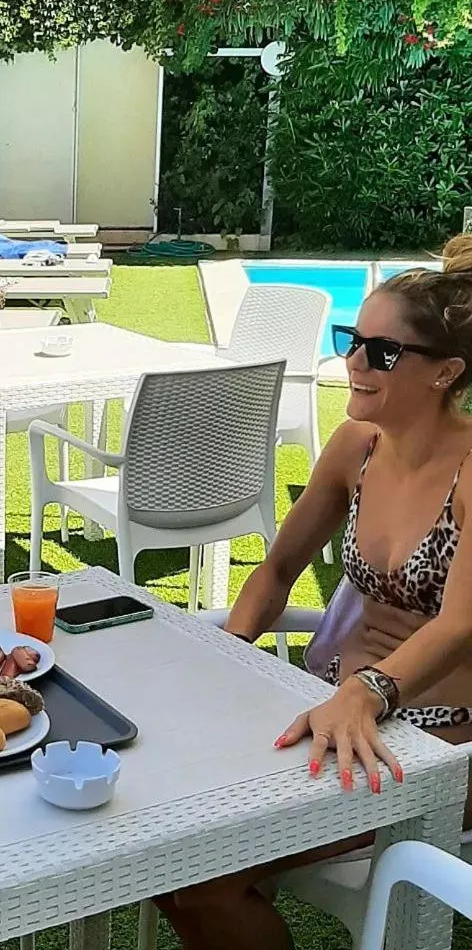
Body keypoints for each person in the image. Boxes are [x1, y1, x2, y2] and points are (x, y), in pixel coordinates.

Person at [156, 235, 472, 949]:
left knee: (202, 877)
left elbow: (458, 625)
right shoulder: (355, 445)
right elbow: (274, 571)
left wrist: (367, 692)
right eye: (350, 340)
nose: (353, 363)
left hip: (441, 737)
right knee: (163, 849)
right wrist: (232, 647)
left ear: (444, 372)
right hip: (328, 707)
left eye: (380, 353)